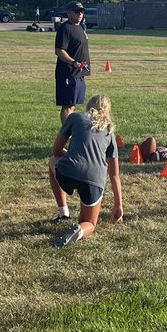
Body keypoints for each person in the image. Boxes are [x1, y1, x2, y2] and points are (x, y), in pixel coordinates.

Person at [49, 93, 124, 247]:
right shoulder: (110, 132)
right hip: (95, 179)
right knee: (89, 222)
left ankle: (63, 212)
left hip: (70, 170)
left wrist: (72, 155)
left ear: (88, 107)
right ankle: (79, 230)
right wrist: (118, 205)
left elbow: (56, 150)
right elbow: (114, 174)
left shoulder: (75, 118)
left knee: (52, 161)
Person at [54, 1, 91, 124]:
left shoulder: (80, 28)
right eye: (77, 11)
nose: (80, 14)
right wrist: (74, 62)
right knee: (67, 105)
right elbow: (59, 51)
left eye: (82, 11)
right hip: (68, 73)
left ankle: (71, 130)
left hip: (79, 73)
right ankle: (66, 133)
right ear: (69, 12)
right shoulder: (65, 28)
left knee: (73, 104)